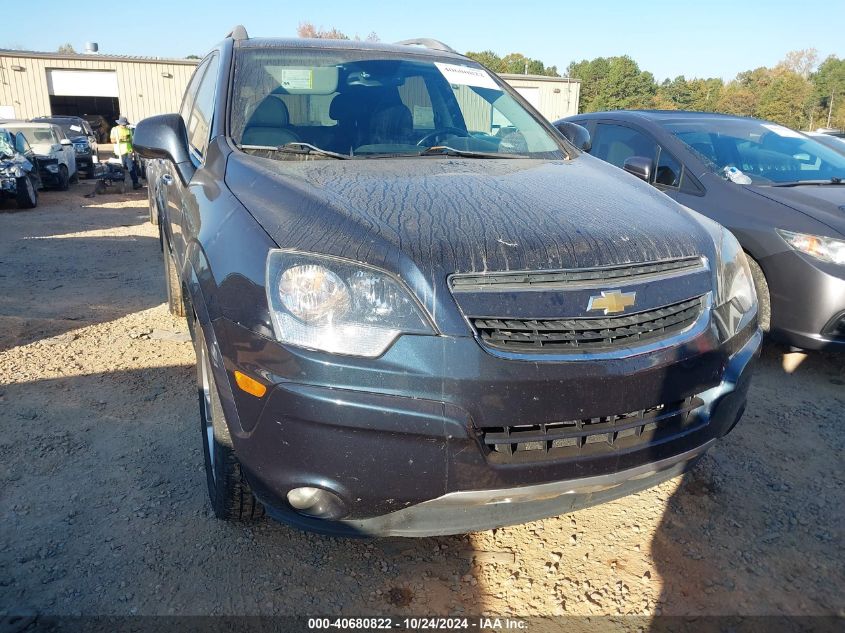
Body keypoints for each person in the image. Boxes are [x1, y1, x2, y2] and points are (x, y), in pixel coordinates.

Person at [110, 116, 141, 190]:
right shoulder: (115, 130)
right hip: (119, 152)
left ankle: (135, 183)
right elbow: (112, 140)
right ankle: (120, 184)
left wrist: (133, 150)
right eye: (123, 124)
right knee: (120, 168)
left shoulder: (128, 130)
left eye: (125, 124)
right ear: (119, 124)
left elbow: (131, 141)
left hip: (128, 151)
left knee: (131, 167)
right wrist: (121, 139)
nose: (124, 126)